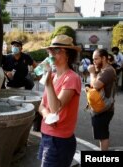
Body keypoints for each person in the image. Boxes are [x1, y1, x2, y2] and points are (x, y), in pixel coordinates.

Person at [38, 34, 81, 167]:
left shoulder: (72, 78)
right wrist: (47, 116)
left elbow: (56, 107)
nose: (51, 54)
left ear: (68, 55)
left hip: (59, 140)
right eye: (50, 50)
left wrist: (49, 83)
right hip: (46, 135)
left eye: (57, 51)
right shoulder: (52, 75)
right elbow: (41, 106)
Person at [87, 49, 116, 151]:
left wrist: (92, 73)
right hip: (101, 108)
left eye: (96, 59)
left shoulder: (108, 71)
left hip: (104, 109)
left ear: (103, 58)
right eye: (93, 59)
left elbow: (95, 85)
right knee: (101, 134)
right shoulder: (103, 70)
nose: (94, 61)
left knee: (103, 135)